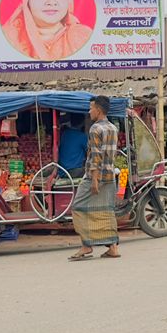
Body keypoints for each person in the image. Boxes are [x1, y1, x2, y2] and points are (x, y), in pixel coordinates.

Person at [69, 95, 121, 260]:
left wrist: (95, 180)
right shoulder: (113, 128)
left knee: (78, 208)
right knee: (106, 210)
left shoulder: (95, 129)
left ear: (98, 110)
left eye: (91, 108)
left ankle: (86, 245)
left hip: (95, 176)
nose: (89, 111)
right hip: (110, 175)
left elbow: (96, 157)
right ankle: (112, 247)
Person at [2, 0, 93, 61]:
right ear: (27, 1)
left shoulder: (83, 36)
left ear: (68, 0)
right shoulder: (9, 36)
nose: (51, 2)